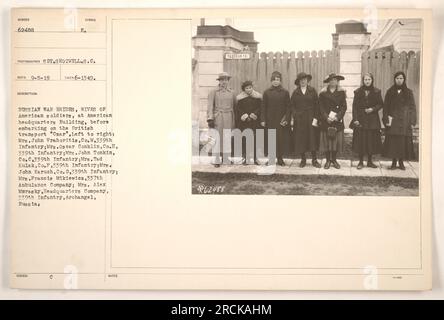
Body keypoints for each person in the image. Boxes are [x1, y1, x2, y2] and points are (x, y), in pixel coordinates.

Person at [382, 71, 417, 170]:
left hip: (404, 122)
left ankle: (401, 162)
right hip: (393, 121)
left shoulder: (408, 92)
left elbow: (412, 107)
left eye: (401, 78)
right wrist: (386, 120)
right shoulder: (390, 91)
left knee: (402, 143)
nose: (399, 80)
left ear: (404, 79)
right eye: (397, 78)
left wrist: (412, 121)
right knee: (394, 142)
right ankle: (393, 162)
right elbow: (385, 107)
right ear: (394, 79)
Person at [350, 73, 383, 169]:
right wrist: (355, 119)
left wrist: (372, 109)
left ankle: (369, 161)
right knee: (361, 140)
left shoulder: (377, 91)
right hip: (361, 119)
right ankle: (360, 161)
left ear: (372, 80)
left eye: (369, 79)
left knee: (370, 140)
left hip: (372, 120)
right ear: (363, 81)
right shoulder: (358, 92)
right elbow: (354, 106)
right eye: (365, 80)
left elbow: (380, 104)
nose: (367, 81)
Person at [289, 72, 321, 168]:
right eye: (301, 80)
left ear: (307, 80)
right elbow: (292, 106)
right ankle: (303, 159)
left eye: (305, 79)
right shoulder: (295, 92)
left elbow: (317, 105)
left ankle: (314, 159)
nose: (303, 81)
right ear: (298, 82)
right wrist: (295, 115)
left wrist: (316, 118)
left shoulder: (312, 91)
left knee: (312, 138)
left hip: (311, 118)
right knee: (300, 139)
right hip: (300, 119)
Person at [260, 71, 291, 166]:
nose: (276, 81)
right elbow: (263, 107)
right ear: (271, 81)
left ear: (280, 81)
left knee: (281, 139)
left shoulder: (285, 92)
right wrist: (263, 119)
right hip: (270, 120)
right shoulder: (267, 92)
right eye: (274, 80)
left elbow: (288, 107)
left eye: (277, 80)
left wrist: (286, 119)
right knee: (271, 139)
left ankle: (280, 158)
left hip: (280, 120)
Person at [207, 72, 237, 167]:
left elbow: (235, 106)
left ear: (228, 81)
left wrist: (235, 119)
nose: (224, 82)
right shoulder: (214, 92)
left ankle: (226, 158)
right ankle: (216, 159)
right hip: (218, 117)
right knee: (217, 137)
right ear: (219, 81)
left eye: (226, 79)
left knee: (227, 137)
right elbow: (210, 106)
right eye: (222, 79)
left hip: (229, 116)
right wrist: (210, 119)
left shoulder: (232, 92)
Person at [318, 73, 347, 169]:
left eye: (335, 80)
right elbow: (320, 107)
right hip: (326, 121)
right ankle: (327, 161)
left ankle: (334, 160)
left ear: (337, 81)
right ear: (328, 82)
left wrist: (337, 117)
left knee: (335, 141)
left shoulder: (342, 92)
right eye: (331, 80)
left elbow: (344, 107)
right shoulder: (322, 93)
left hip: (337, 121)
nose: (333, 81)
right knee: (327, 142)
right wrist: (326, 117)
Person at [236, 80, 262, 165]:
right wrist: (245, 115)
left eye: (250, 87)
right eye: (247, 88)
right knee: (245, 139)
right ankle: (246, 157)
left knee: (255, 140)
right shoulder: (240, 98)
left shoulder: (257, 97)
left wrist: (254, 114)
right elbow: (238, 109)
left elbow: (260, 108)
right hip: (244, 122)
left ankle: (255, 158)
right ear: (244, 89)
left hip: (254, 121)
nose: (249, 89)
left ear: (252, 88)